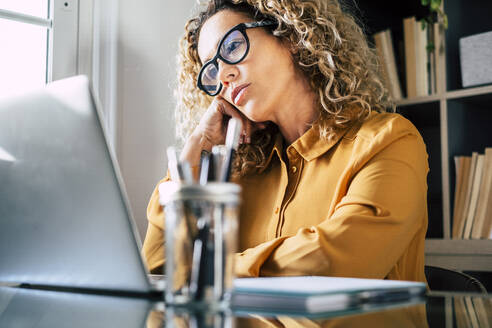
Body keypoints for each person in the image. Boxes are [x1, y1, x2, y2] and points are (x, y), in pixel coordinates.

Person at [142, 0, 429, 282]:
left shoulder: (389, 141)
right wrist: (197, 146)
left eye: (231, 47)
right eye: (212, 71)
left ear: (290, 34)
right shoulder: (239, 174)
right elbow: (157, 268)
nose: (224, 76)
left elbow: (335, 263)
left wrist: (209, 271)